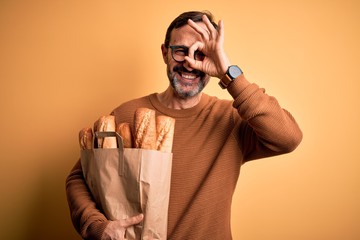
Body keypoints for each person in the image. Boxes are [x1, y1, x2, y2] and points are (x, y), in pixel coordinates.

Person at [65, 10, 302, 240]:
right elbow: (79, 177)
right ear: (164, 53)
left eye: (201, 54)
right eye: (180, 51)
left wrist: (228, 73)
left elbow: (288, 138)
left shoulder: (230, 119)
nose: (190, 64)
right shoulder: (127, 115)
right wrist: (96, 226)